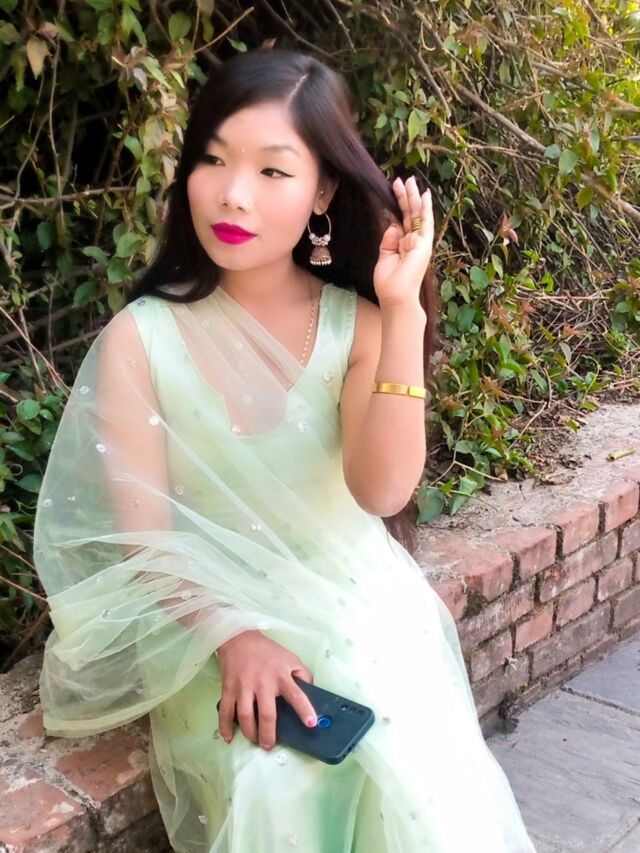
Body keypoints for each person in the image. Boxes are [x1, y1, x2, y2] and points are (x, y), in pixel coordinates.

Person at [34, 47, 536, 852]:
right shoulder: (142, 339)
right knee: (274, 777)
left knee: (405, 768)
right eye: (213, 159)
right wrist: (233, 634)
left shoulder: (355, 326)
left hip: (357, 608)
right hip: (205, 620)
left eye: (273, 170)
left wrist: (403, 312)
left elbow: (382, 491)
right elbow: (144, 541)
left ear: (323, 190)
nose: (234, 193)